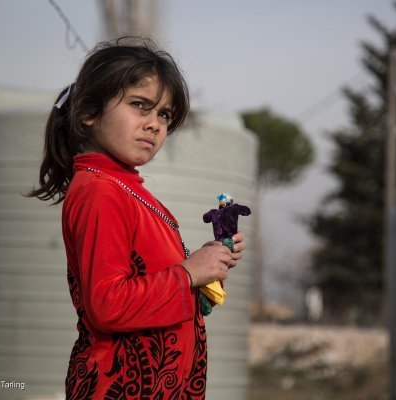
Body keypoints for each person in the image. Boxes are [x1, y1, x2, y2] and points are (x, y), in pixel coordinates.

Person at [27, 37, 247, 400]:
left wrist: (207, 264)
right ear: (88, 112)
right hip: (119, 387)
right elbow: (108, 305)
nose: (155, 124)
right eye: (140, 105)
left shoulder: (128, 189)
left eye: (163, 114)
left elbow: (154, 279)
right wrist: (189, 272)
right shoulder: (101, 191)